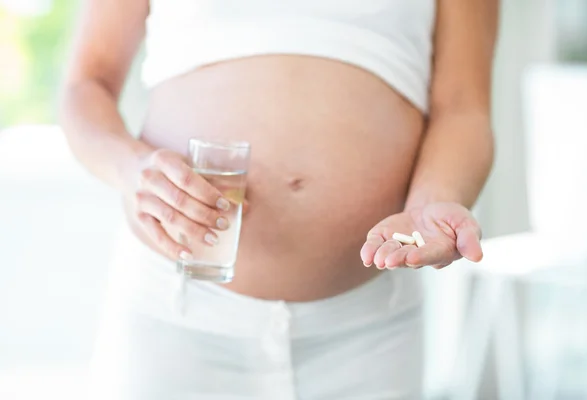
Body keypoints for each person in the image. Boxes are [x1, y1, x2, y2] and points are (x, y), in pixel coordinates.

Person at [59, 0, 498, 398]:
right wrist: (131, 168)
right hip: (175, 317)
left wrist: (432, 204)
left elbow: (464, 107)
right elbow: (85, 84)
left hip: (368, 333)